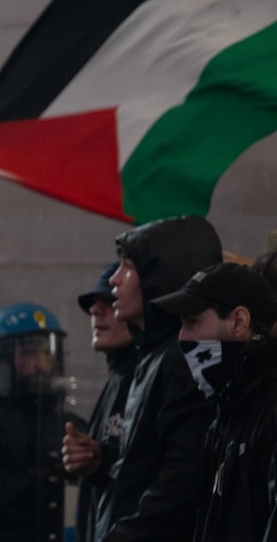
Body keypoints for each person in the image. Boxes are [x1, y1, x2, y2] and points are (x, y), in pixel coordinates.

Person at [94, 214, 220, 541]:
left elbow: (181, 477)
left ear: (159, 277)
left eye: (129, 267)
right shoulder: (152, 356)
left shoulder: (180, 360)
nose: (114, 280)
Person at [150, 262, 277, 540]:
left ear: (238, 322)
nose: (182, 337)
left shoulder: (268, 406)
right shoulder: (227, 413)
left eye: (192, 321)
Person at [0, 302, 79, 542]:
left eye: (47, 353)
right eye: (30, 353)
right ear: (3, 359)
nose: (42, 364)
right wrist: (43, 479)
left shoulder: (66, 421)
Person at [62, 262, 138, 542]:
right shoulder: (116, 379)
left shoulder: (147, 378)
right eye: (94, 303)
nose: (95, 310)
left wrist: (101, 460)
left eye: (109, 301)